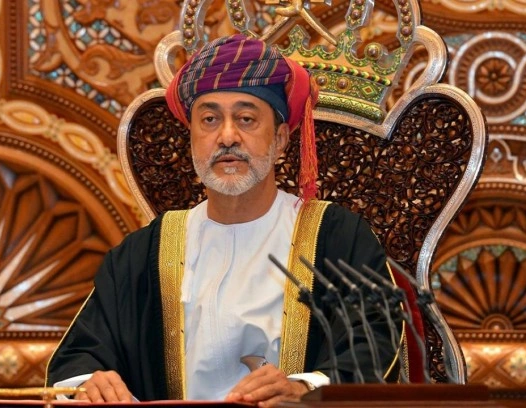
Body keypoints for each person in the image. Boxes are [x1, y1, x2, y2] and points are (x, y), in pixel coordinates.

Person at [45, 34, 399, 406]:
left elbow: (376, 345)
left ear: (280, 139)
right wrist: (90, 384)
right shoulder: (146, 252)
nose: (227, 137)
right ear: (192, 139)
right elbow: (77, 361)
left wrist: (304, 389)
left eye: (246, 119)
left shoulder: (338, 238)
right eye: (210, 120)